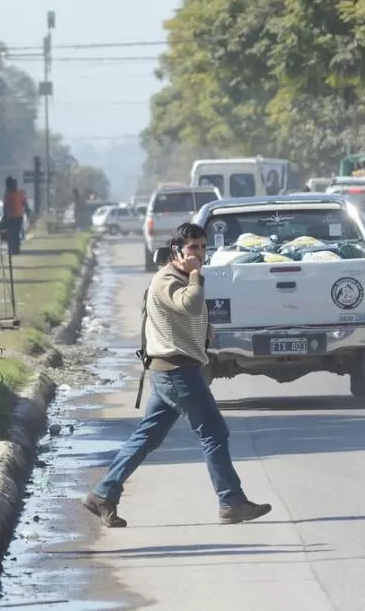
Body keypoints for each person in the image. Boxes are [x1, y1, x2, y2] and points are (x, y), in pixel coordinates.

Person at [82, 223, 272, 528]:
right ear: (177, 251)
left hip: (171, 370)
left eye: (202, 247)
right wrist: (196, 276)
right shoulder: (168, 279)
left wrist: (203, 329)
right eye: (192, 248)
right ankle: (231, 501)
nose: (199, 254)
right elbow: (190, 303)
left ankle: (103, 494)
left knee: (147, 437)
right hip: (176, 371)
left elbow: (188, 316)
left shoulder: (182, 277)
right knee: (214, 431)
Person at [2, 176, 30, 255]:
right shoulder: (19, 194)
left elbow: (5, 206)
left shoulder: (8, 194)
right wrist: (27, 212)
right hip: (18, 216)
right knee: (16, 233)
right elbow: (25, 204)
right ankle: (15, 249)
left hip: (11, 216)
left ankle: (12, 249)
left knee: (12, 233)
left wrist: (4, 216)